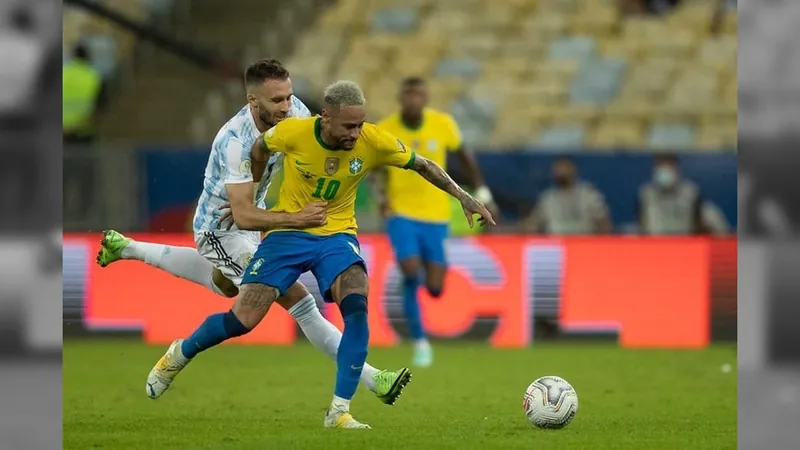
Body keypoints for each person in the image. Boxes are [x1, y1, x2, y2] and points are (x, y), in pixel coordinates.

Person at [148, 80, 494, 429]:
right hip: (286, 235)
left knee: (357, 302)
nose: (355, 134)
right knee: (243, 320)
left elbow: (423, 165)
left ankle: (339, 411)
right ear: (325, 117)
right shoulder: (293, 132)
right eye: (348, 126)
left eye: (359, 125)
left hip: (336, 235)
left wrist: (464, 196)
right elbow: (258, 149)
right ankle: (180, 354)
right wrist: (251, 196)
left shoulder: (373, 140)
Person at [96, 60, 409, 405]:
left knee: (224, 284)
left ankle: (127, 249)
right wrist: (299, 218)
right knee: (300, 301)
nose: (287, 107)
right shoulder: (234, 140)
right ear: (252, 100)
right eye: (277, 101)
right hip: (222, 227)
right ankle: (371, 377)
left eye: (289, 97)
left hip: (261, 220)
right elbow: (242, 215)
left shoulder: (296, 113)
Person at [372, 77, 496, 367]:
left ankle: (416, 285)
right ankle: (419, 341)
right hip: (401, 213)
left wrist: (482, 191)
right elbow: (374, 168)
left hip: (436, 216)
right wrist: (381, 199)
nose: (413, 101)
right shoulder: (387, 128)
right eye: (408, 95)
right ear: (401, 99)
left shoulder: (443, 124)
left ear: (425, 99)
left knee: (435, 288)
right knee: (411, 269)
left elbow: (465, 157)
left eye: (418, 95)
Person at [523, 157, 612, 235]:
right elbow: (534, 224)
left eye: (565, 168)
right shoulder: (548, 198)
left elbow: (603, 222)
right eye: (557, 169)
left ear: (573, 169)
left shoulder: (588, 194)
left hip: (584, 244)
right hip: (557, 245)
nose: (561, 172)